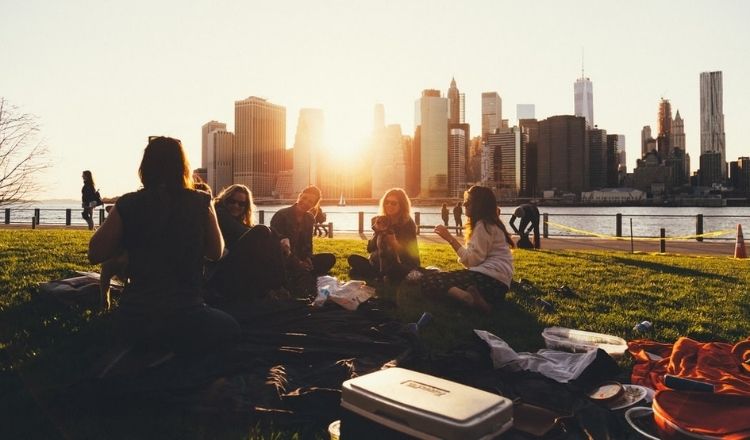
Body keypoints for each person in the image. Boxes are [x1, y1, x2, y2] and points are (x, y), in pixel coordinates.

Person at [88, 136, 239, 355]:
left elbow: (95, 253)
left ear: (145, 167)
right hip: (187, 314)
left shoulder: (128, 203)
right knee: (231, 329)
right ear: (183, 167)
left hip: (136, 316)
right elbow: (216, 253)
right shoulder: (201, 201)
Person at [422, 185, 514, 313]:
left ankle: (468, 299)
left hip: (487, 279)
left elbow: (472, 261)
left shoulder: (483, 226)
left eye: (468, 202)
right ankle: (481, 301)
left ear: (479, 205)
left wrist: (450, 238)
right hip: (499, 287)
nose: (464, 204)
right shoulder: (492, 224)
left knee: (430, 279)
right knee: (444, 280)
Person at [208, 184, 286, 301]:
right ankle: (279, 285)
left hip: (235, 268)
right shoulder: (220, 213)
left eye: (241, 204)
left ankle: (278, 285)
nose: (236, 206)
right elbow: (244, 233)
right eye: (232, 201)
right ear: (225, 200)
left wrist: (282, 238)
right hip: (220, 271)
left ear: (246, 206)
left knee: (271, 237)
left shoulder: (238, 220)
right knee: (262, 231)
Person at [270, 186, 335, 295]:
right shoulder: (282, 215)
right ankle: (299, 274)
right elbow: (281, 247)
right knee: (300, 274)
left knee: (329, 258)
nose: (305, 202)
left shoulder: (309, 218)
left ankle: (304, 271)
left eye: (310, 201)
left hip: (300, 257)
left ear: (313, 205)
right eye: (304, 198)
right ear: (299, 196)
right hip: (283, 258)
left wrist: (308, 258)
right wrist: (298, 263)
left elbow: (308, 244)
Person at [347, 188, 420, 282]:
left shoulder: (408, 224)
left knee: (395, 269)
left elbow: (409, 255)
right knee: (352, 259)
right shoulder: (381, 220)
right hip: (380, 262)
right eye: (387, 202)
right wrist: (377, 234)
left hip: (402, 263)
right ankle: (379, 275)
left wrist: (394, 244)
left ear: (401, 205)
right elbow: (370, 249)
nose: (389, 205)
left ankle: (376, 274)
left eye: (393, 203)